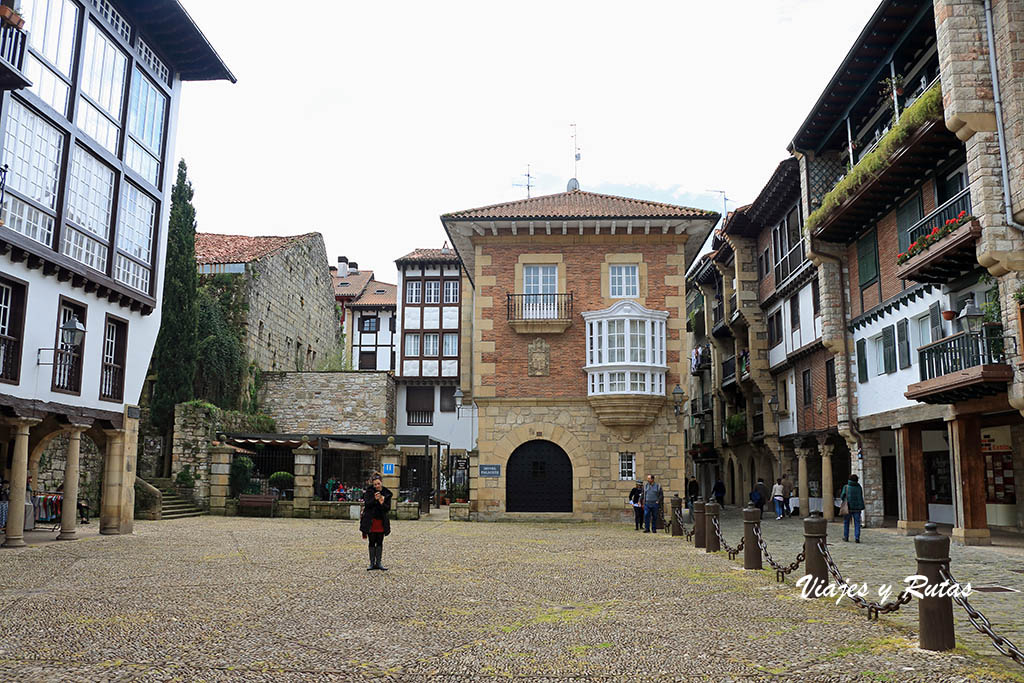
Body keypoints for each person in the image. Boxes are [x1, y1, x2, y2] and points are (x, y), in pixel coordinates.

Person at [360, 473, 392, 570]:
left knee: (379, 541)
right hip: (371, 520)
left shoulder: (387, 493)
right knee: (371, 541)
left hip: (381, 520)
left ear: (381, 483)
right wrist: (374, 499)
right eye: (375, 484)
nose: (377, 486)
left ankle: (378, 562)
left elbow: (387, 508)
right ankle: (371, 563)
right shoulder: (369, 492)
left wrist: (382, 503)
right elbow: (367, 504)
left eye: (378, 484)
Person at [841, 474, 865, 543]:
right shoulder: (859, 487)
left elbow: (842, 496)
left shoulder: (846, 487)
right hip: (857, 508)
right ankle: (857, 537)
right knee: (857, 523)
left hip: (848, 507)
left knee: (846, 522)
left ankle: (846, 537)